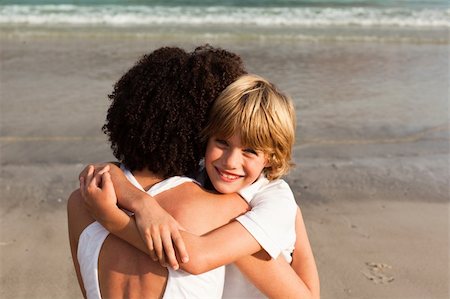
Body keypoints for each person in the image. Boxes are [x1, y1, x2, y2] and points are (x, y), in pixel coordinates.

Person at [79, 72, 319, 298]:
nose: (230, 162)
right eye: (222, 143)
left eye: (249, 151)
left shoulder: (273, 202)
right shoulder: (202, 177)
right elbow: (106, 170)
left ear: (271, 157)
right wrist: (143, 206)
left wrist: (113, 220)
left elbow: (197, 257)